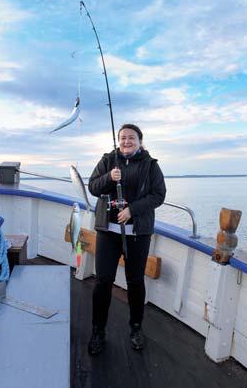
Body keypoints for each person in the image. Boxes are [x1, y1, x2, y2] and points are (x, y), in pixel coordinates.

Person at [87, 123, 166, 355]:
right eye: (122, 138)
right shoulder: (108, 160)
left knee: (135, 282)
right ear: (118, 141)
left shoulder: (151, 166)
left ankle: (136, 328)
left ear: (140, 141)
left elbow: (159, 195)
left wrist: (132, 210)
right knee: (103, 281)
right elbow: (93, 187)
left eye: (131, 138)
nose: (126, 141)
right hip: (108, 232)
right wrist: (110, 178)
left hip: (137, 235)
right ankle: (98, 331)